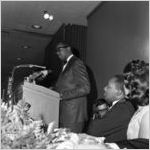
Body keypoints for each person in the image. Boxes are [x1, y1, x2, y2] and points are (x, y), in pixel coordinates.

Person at [105, 60, 149, 149]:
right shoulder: (140, 109)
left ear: (136, 86)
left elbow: (142, 147)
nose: (123, 86)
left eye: (126, 83)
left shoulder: (147, 114)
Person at [54, 41, 90, 133]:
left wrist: (62, 95)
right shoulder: (66, 65)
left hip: (73, 116)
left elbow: (85, 88)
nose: (57, 53)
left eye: (59, 49)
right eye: (56, 51)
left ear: (68, 48)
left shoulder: (77, 63)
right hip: (66, 114)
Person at [86, 74, 135, 142]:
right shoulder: (124, 105)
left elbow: (92, 131)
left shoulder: (121, 110)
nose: (104, 88)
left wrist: (97, 113)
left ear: (119, 93)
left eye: (109, 87)